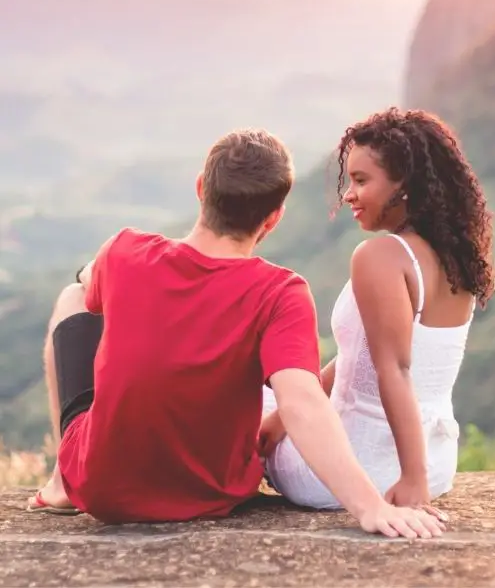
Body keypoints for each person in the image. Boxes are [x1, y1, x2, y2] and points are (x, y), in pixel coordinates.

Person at [26, 128, 445, 540]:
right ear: (274, 217)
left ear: (200, 189)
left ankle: (64, 480)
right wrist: (370, 506)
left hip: (102, 490)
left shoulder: (124, 251)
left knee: (73, 297)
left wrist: (94, 275)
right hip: (212, 492)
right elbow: (302, 403)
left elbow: (89, 285)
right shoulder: (280, 292)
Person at [259, 108, 495, 510]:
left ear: (404, 185)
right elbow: (362, 357)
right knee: (281, 398)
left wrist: (412, 480)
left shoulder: (381, 257)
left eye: (361, 180)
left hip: (354, 469)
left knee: (245, 387)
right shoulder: (454, 256)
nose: (348, 193)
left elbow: (395, 370)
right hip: (437, 461)